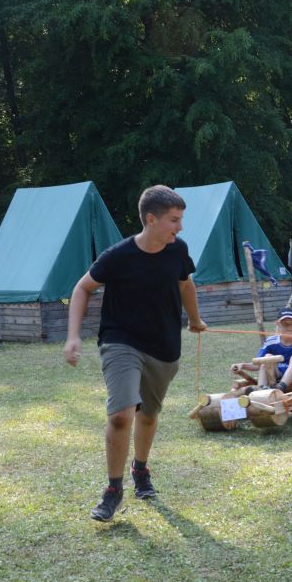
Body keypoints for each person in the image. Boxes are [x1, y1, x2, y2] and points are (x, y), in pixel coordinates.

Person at [64, 185, 207, 522]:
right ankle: (113, 490)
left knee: (149, 415)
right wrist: (72, 336)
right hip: (121, 340)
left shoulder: (178, 250)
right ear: (151, 219)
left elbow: (185, 284)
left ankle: (140, 469)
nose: (180, 227)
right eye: (174, 220)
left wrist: (195, 319)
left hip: (164, 345)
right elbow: (83, 287)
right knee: (121, 414)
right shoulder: (118, 256)